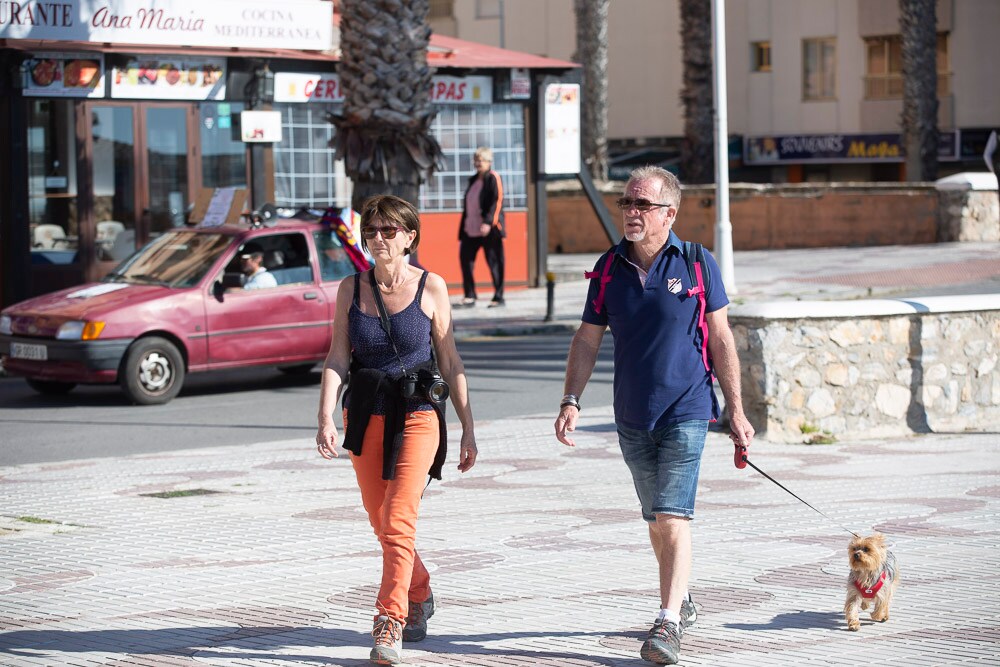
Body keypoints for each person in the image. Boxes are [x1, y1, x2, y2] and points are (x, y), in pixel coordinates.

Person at [553, 166, 754, 665]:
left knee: (672, 514)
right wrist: (570, 400)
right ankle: (681, 597)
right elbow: (586, 339)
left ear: (670, 213)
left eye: (642, 205)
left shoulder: (696, 262)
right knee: (655, 518)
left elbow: (722, 338)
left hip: (687, 408)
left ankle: (666, 622)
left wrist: (737, 409)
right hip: (631, 416)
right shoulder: (608, 269)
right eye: (626, 203)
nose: (632, 212)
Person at [316, 194, 478, 665]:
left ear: (410, 237)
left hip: (418, 412)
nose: (379, 239)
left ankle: (391, 618)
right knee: (380, 519)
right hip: (365, 412)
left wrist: (468, 429)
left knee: (399, 516)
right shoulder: (351, 288)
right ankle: (420, 590)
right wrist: (325, 414)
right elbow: (338, 356)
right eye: (372, 231)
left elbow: (450, 359)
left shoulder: (432, 287)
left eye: (390, 231)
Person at [457, 146, 505, 307]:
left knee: (494, 262)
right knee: (466, 260)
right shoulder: (473, 180)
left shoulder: (493, 178)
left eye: (482, 160)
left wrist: (488, 223)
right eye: (476, 160)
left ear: (489, 162)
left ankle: (498, 297)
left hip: (489, 230)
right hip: (470, 229)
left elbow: (496, 202)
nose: (478, 163)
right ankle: (470, 295)